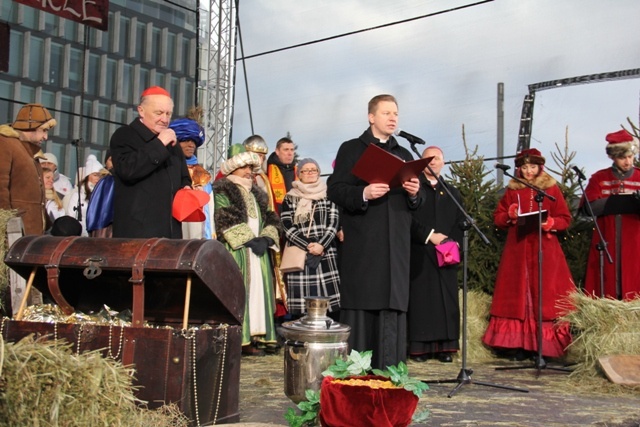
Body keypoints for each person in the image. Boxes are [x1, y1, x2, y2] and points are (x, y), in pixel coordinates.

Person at [327, 94, 422, 370]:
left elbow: (418, 204)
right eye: (386, 113)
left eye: (396, 113)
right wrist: (364, 192)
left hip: (396, 250)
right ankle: (357, 378)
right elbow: (335, 189)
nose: (393, 118)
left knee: (391, 312)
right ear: (371, 117)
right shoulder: (352, 149)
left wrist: (416, 194)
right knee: (363, 310)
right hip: (365, 247)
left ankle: (390, 379)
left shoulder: (404, 154)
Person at [482, 148, 575, 360]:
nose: (528, 171)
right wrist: (509, 214)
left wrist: (551, 223)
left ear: (540, 167)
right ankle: (519, 345)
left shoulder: (551, 189)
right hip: (518, 250)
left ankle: (542, 346)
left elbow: (565, 218)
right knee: (518, 293)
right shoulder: (513, 190)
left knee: (543, 293)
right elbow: (498, 218)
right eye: (524, 167)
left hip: (545, 250)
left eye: (532, 167)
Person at [214, 149, 282, 356]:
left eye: (251, 168)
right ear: (234, 168)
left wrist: (266, 238)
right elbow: (224, 217)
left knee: (258, 295)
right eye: (244, 167)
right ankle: (237, 340)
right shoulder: (223, 190)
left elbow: (271, 218)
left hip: (257, 252)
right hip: (238, 251)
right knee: (240, 292)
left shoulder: (257, 193)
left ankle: (255, 337)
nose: (249, 172)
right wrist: (250, 239)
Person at [109, 86, 191, 238]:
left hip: (170, 232)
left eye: (168, 114)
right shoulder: (124, 135)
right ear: (141, 111)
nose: (165, 119)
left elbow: (184, 177)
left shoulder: (173, 143)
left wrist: (186, 187)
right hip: (138, 232)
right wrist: (159, 144)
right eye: (159, 113)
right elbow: (128, 170)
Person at [408, 146, 464, 363]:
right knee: (421, 300)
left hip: (446, 253)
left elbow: (460, 221)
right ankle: (420, 348)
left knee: (445, 300)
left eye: (437, 159)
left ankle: (445, 348)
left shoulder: (452, 191)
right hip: (420, 250)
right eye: (428, 159)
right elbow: (408, 220)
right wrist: (429, 236)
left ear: (443, 162)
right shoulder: (414, 189)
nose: (433, 162)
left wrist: (451, 243)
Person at [582, 129, 640, 300]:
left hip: (635, 241)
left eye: (630, 156)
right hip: (607, 238)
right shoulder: (599, 178)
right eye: (623, 157)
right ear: (613, 157)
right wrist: (613, 202)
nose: (628, 161)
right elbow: (587, 208)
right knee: (607, 279)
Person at [281, 158, 341, 319]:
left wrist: (321, 245)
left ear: (319, 173)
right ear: (299, 174)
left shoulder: (329, 194)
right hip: (301, 253)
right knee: (303, 308)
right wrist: (308, 245)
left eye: (313, 170)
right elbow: (286, 225)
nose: (310, 173)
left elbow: (334, 222)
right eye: (305, 170)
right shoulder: (290, 197)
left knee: (328, 306)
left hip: (325, 253)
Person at [0, 103, 55, 235]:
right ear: (31, 126)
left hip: (29, 231)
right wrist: (7, 227)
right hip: (14, 231)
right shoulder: (5, 144)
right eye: (44, 130)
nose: (45, 137)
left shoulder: (29, 151)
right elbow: (1, 186)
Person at [169, 117, 214, 239]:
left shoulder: (203, 174)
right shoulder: (167, 169)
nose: (191, 145)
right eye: (186, 140)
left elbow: (209, 209)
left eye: (194, 141)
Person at [64, 154, 105, 236]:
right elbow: (71, 216)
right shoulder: (78, 195)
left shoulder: (103, 193)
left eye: (100, 175)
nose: (98, 178)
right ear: (87, 176)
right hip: (81, 235)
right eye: (95, 175)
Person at [266, 137, 297, 214]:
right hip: (274, 216)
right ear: (277, 151)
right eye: (286, 150)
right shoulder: (266, 170)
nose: (290, 153)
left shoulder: (299, 171)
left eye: (292, 150)